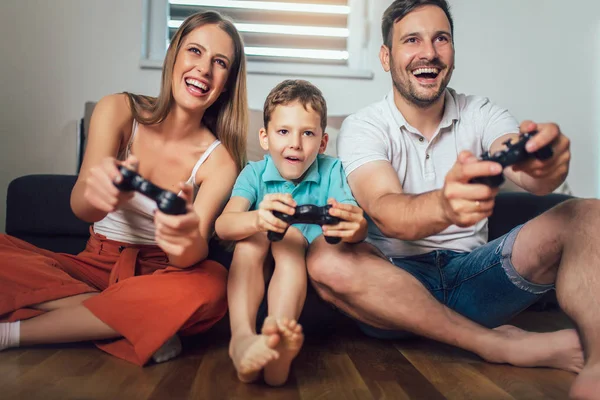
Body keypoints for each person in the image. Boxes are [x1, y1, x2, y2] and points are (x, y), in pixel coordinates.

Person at [305, 1, 600, 398]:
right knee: (324, 257)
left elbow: (521, 164)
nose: (429, 52)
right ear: (386, 56)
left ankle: (597, 362)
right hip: (394, 288)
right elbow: (387, 210)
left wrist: (543, 165)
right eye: (412, 40)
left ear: (453, 53)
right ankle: (496, 343)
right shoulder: (363, 126)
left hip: (477, 278)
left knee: (588, 213)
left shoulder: (482, 112)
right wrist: (444, 205)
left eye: (440, 38)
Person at [0, 10, 248, 366]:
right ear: (174, 56)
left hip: (159, 276)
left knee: (213, 284)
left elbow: (190, 254)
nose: (204, 69)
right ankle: (133, 323)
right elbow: (81, 205)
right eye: (195, 51)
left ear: (226, 83)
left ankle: (12, 334)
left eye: (219, 62)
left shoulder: (221, 161)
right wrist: (101, 196)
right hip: (90, 265)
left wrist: (180, 235)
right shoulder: (117, 109)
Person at [215, 79, 367, 386]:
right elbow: (223, 226)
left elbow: (354, 222)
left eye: (307, 133)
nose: (295, 143)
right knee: (251, 240)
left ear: (323, 143)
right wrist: (259, 219)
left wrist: (355, 226)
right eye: (283, 132)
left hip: (303, 261)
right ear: (265, 138)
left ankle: (277, 333)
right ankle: (242, 339)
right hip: (258, 257)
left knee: (291, 238)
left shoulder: (333, 170)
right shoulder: (253, 172)